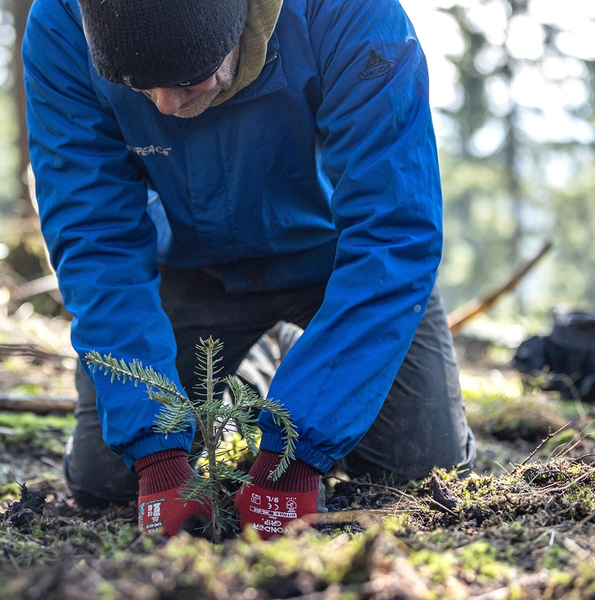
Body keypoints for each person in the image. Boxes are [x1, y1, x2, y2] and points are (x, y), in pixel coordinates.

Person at [23, 0, 476, 539]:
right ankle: (251, 370)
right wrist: (155, 454)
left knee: (419, 469)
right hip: (191, 270)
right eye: (138, 88)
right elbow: (94, 236)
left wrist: (297, 454)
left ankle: (300, 365)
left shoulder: (348, 13)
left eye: (188, 77)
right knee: (104, 482)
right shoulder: (62, 22)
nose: (165, 106)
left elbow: (394, 231)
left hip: (341, 269)